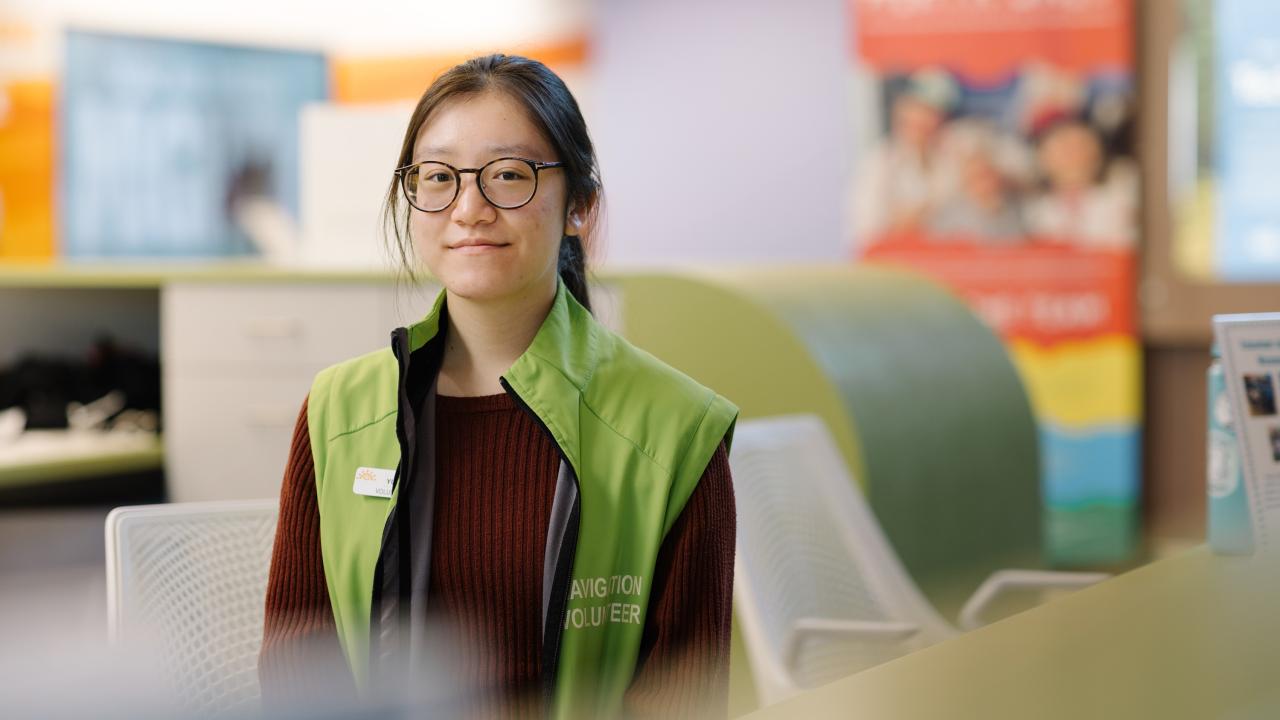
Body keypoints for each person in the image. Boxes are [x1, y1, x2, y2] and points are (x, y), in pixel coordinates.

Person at [258, 54, 739, 720]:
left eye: (509, 175)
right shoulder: (340, 412)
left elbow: (684, 698)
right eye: (438, 178)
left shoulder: (676, 430)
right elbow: (298, 671)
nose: (469, 208)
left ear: (580, 205)